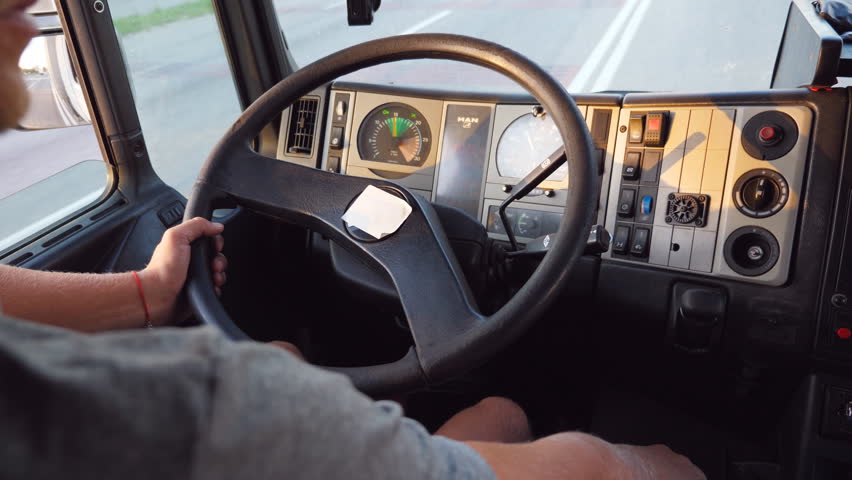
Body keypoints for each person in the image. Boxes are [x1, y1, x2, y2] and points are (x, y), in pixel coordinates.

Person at [0, 2, 706, 478]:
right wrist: (648, 464)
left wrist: (150, 295)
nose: (32, 27)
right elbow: (587, 466)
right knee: (504, 410)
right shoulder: (214, 411)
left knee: (280, 349)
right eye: (9, 10)